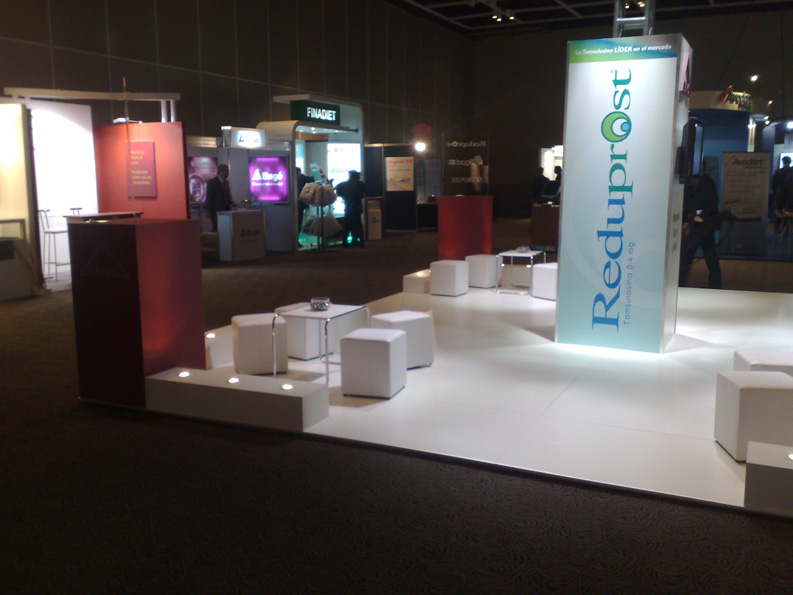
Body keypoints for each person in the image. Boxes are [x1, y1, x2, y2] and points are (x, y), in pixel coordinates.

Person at [679, 172, 722, 289]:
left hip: (703, 224)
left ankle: (681, 281)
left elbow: (711, 202)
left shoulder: (703, 182)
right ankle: (715, 282)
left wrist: (700, 216)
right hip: (700, 224)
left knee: (691, 252)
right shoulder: (700, 181)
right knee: (707, 254)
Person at [335, 170, 366, 248]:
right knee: (358, 226)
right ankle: (360, 243)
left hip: (347, 207)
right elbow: (361, 195)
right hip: (356, 207)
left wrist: (344, 197)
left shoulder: (343, 184)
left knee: (346, 226)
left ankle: (344, 243)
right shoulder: (360, 184)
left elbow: (338, 191)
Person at [206, 164, 235, 232]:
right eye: (226, 171)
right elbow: (209, 197)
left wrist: (231, 201)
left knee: (226, 229)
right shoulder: (212, 182)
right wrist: (209, 211)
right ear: (220, 172)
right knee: (217, 229)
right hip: (216, 210)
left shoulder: (226, 182)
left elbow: (227, 195)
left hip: (226, 210)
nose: (228, 174)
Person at [295, 167, 311, 241]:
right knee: (298, 223)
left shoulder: (290, 178)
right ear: (298, 172)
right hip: (299, 203)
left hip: (293, 204)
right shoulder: (300, 177)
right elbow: (312, 179)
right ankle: (296, 241)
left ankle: (294, 241)